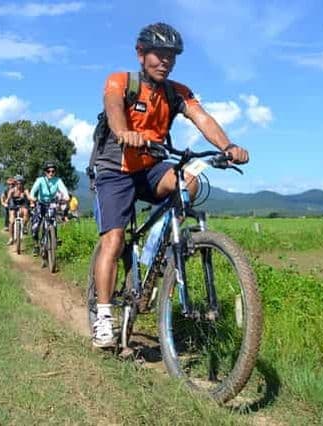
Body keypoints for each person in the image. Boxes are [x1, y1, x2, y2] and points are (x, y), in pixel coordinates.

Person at [89, 22, 250, 348]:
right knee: (114, 239)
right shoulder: (122, 81)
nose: (165, 62)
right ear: (141, 54)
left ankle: (160, 252)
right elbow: (113, 106)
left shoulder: (176, 92)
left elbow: (202, 118)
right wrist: (124, 132)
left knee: (189, 181)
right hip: (114, 169)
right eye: (158, 55)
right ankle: (103, 317)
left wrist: (228, 146)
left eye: (171, 56)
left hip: (150, 168)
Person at [29, 161, 69, 253]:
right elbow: (33, 191)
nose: (51, 173)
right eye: (48, 171)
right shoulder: (40, 180)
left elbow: (63, 189)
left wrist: (66, 196)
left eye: (53, 171)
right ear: (45, 172)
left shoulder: (58, 180)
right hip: (40, 203)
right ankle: (36, 244)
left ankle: (54, 237)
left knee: (52, 220)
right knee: (35, 226)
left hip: (51, 203)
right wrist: (32, 197)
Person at [6, 175, 31, 245]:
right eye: (17, 183)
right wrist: (6, 201)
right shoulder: (12, 190)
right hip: (13, 204)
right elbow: (8, 198)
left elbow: (29, 196)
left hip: (22, 204)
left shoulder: (25, 190)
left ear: (23, 183)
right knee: (11, 221)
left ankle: (24, 226)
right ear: (15, 183)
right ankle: (11, 238)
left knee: (26, 212)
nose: (19, 185)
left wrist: (32, 200)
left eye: (21, 183)